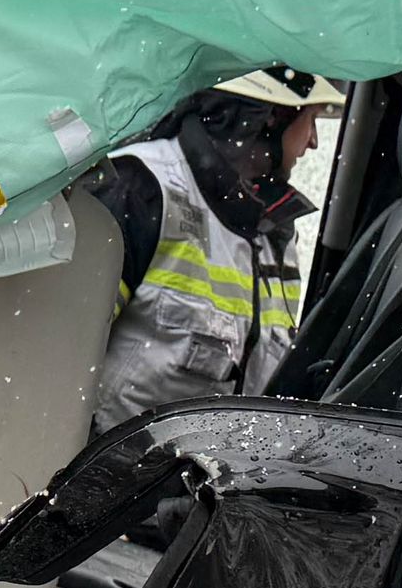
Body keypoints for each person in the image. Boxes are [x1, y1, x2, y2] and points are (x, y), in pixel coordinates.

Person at [86, 70, 332, 431]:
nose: (313, 141)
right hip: (105, 475)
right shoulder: (141, 191)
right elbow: (54, 360)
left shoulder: (272, 229)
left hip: (211, 478)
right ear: (271, 116)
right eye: (310, 119)